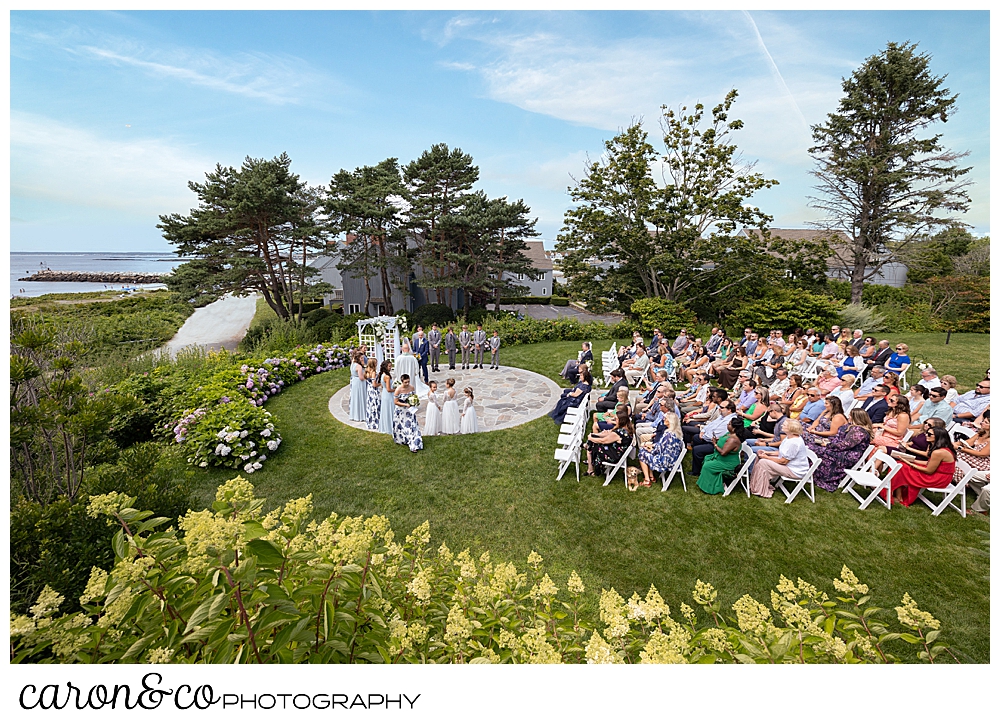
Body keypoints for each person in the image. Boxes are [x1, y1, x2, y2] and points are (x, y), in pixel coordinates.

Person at [886, 426, 956, 506]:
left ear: (938, 437)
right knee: (900, 464)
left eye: (929, 434)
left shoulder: (939, 452)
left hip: (939, 478)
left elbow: (929, 470)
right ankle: (897, 495)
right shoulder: (938, 448)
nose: (926, 435)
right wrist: (912, 460)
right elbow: (928, 463)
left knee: (902, 467)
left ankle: (899, 497)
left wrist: (910, 464)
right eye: (926, 433)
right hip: (938, 474)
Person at [811, 409, 874, 491]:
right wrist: (829, 442)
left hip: (847, 455)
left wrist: (828, 445)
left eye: (851, 415)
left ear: (856, 417)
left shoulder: (859, 431)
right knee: (814, 445)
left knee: (816, 449)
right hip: (842, 450)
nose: (849, 417)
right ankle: (812, 472)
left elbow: (845, 445)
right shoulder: (852, 427)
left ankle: (818, 475)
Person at [748, 419, 810, 498]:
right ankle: (756, 484)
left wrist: (767, 457)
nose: (781, 426)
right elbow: (782, 452)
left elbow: (783, 461)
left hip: (794, 470)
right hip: (788, 465)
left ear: (790, 428)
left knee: (763, 462)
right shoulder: (789, 437)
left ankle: (759, 490)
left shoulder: (794, 443)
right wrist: (767, 453)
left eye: (784, 425)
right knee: (760, 456)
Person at [637, 409, 684, 487]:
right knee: (646, 450)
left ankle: (647, 480)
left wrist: (650, 448)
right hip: (672, 459)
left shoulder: (668, 435)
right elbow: (662, 446)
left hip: (665, 462)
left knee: (642, 453)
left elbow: (659, 449)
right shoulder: (676, 432)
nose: (663, 419)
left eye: (665, 418)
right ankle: (651, 476)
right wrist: (651, 446)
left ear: (670, 421)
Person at [695, 418, 743, 495]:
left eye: (729, 424)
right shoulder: (728, 434)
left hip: (728, 463)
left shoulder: (733, 440)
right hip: (722, 459)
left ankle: (711, 488)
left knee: (707, 466)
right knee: (707, 458)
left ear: (734, 428)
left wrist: (715, 444)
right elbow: (723, 441)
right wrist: (717, 440)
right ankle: (710, 483)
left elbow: (723, 452)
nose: (727, 425)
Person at [954, 413, 990, 514]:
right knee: (959, 458)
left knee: (959, 456)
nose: (982, 423)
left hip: (983, 462)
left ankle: (979, 509)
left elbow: (982, 454)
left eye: (985, 422)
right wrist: (958, 444)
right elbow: (968, 442)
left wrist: (962, 448)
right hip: (974, 457)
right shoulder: (980, 433)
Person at [689, 401, 737, 476]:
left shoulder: (730, 421)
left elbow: (716, 435)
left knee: (697, 450)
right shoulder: (722, 416)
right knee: (696, 437)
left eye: (721, 407)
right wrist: (703, 431)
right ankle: (697, 461)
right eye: (719, 407)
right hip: (709, 438)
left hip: (718, 444)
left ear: (729, 410)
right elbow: (710, 425)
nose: (719, 409)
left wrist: (704, 435)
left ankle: (697, 472)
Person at [586, 408, 635, 477]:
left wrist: (591, 438)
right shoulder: (625, 429)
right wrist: (596, 435)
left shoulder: (619, 433)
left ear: (621, 421)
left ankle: (591, 469)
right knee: (592, 442)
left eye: (616, 419)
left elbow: (603, 441)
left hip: (614, 456)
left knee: (591, 445)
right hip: (617, 451)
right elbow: (608, 435)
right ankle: (590, 467)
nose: (615, 420)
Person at [392, 375, 423, 453]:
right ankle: (403, 439)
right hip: (401, 411)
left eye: (408, 381)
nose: (407, 383)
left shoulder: (411, 387)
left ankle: (414, 444)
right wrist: (405, 405)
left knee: (412, 426)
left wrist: (414, 402)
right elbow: (395, 402)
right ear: (402, 382)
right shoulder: (398, 390)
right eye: (405, 382)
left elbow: (414, 396)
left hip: (409, 411)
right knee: (402, 427)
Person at [348, 351, 368, 422]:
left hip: (354, 381)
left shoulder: (353, 364)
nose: (363, 359)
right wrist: (367, 377)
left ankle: (355, 415)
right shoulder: (358, 366)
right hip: (359, 383)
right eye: (361, 358)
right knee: (360, 397)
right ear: (358, 358)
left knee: (356, 398)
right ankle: (361, 415)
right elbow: (361, 377)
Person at [378, 360, 395, 435]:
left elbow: (382, 386)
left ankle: (386, 426)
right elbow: (389, 389)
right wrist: (396, 389)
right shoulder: (387, 377)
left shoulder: (382, 374)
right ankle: (390, 427)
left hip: (384, 394)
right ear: (385, 367)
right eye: (389, 366)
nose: (390, 368)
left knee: (386, 410)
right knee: (390, 409)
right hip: (388, 395)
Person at [365, 358, 381, 431]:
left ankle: (370, 421)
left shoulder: (367, 371)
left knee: (370, 405)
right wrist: (380, 384)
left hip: (369, 390)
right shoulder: (373, 372)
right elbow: (374, 384)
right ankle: (375, 422)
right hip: (373, 390)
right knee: (375, 405)